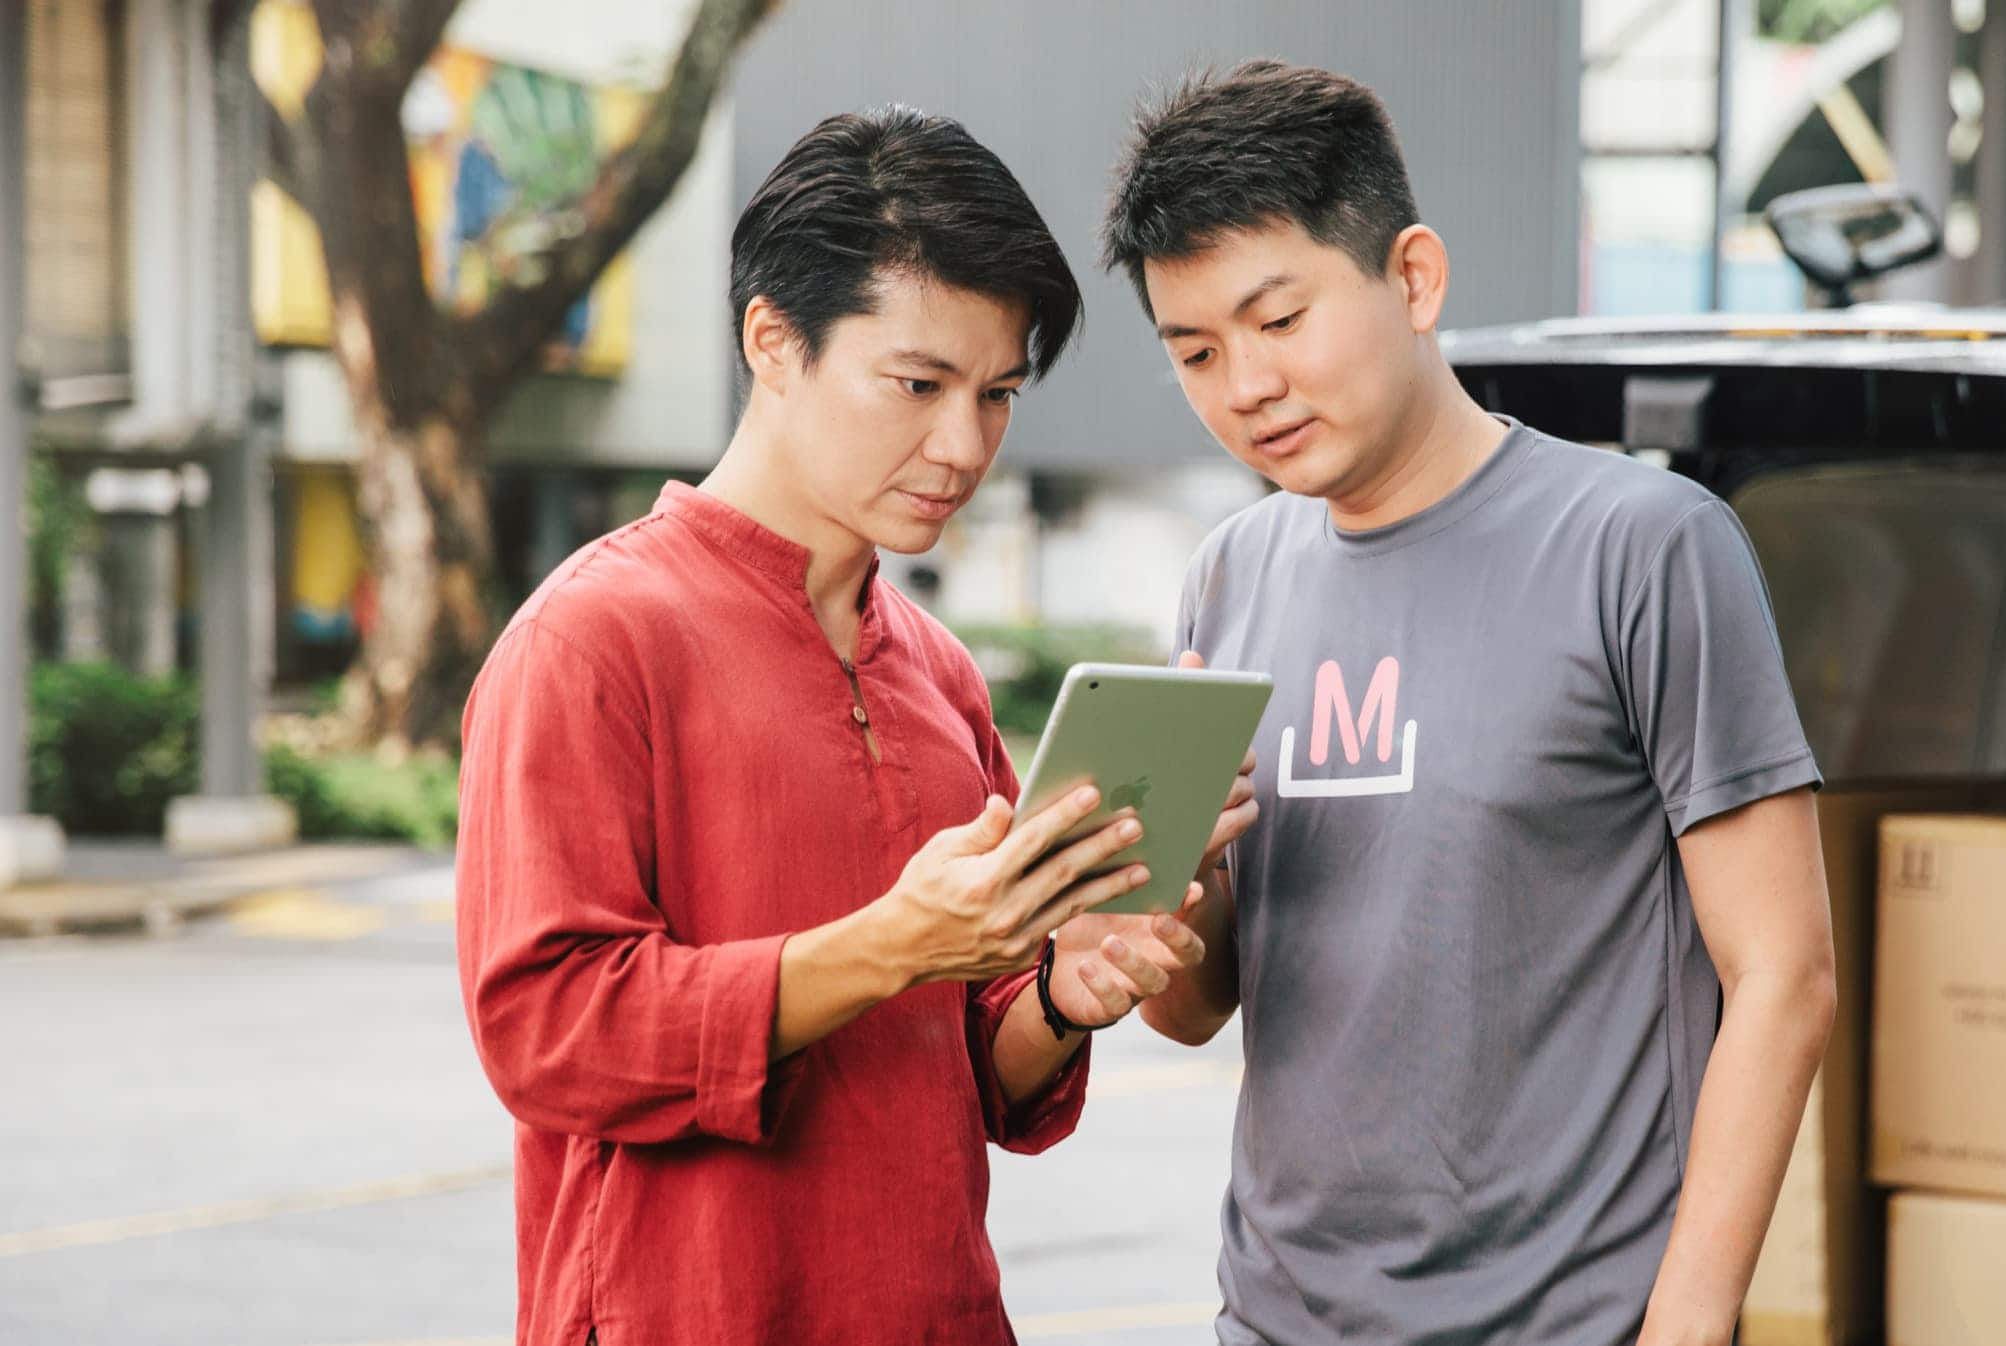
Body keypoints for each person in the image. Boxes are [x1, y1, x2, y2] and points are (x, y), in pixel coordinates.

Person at [455, 106, 1246, 1346]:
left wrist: (1062, 993)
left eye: (996, 394)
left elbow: (971, 1066)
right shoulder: (591, 637)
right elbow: (545, 1032)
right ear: (773, 340)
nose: (962, 444)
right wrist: (888, 943)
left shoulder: (935, 667)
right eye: (918, 384)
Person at [1100, 61, 1838, 1346]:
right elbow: (1196, 1000)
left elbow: (1784, 973)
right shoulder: (1231, 576)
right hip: (1274, 1320)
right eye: (1197, 351)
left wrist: (1691, 1318)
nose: (1246, 386)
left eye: (1279, 319)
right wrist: (1150, 900)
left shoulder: (1645, 546)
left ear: (1414, 278)